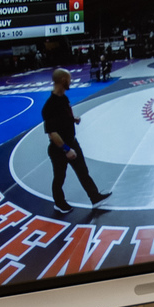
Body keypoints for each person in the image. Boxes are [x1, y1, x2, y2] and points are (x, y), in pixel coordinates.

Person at [41, 67, 111, 214]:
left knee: (83, 171)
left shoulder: (64, 99)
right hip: (59, 148)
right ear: (62, 80)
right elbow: (52, 133)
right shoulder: (49, 106)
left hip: (72, 142)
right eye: (69, 79)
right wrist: (66, 149)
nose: (70, 81)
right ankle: (59, 203)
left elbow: (63, 116)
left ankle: (95, 197)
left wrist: (73, 119)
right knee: (60, 177)